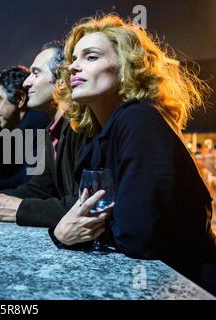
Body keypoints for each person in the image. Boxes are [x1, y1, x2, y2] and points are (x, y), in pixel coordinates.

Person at [50, 14, 216, 294]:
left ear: (127, 67)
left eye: (91, 57)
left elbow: (136, 236)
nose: (73, 66)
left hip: (187, 285)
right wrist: (65, 231)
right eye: (73, 59)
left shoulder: (140, 120)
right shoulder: (100, 136)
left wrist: (66, 233)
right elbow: (90, 216)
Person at [0, 42, 90, 227]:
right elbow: (40, 187)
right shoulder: (50, 130)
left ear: (62, 80)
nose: (27, 83)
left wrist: (20, 209)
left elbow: (85, 204)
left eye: (35, 74)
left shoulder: (81, 126)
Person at [0, 65, 50, 190]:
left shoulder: (34, 130)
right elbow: (24, 176)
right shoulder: (25, 129)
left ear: (20, 99)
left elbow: (32, 184)